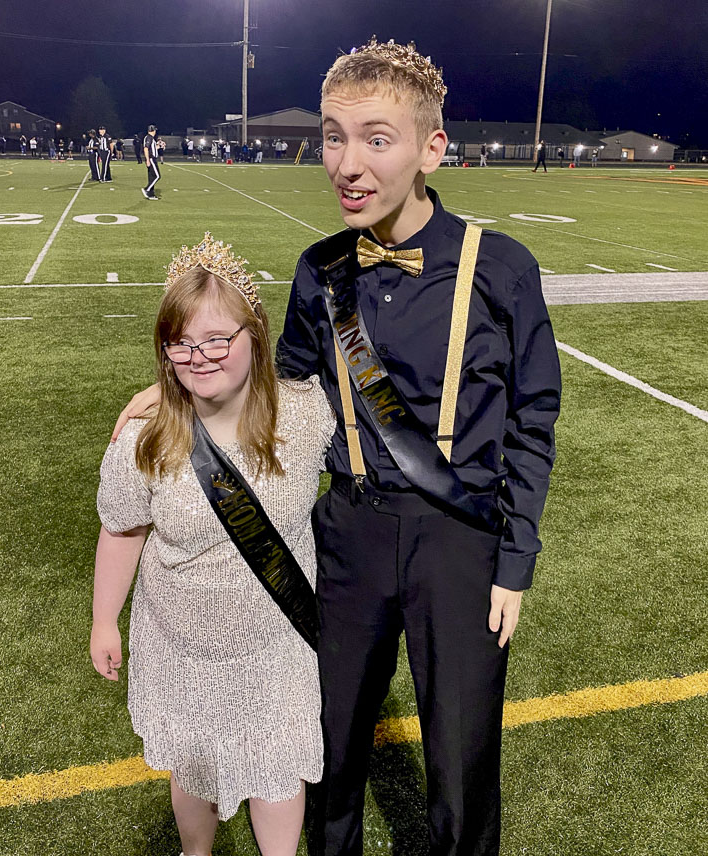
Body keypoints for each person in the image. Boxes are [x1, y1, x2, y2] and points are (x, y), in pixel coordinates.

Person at [112, 37, 561, 856]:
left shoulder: (501, 266)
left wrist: (514, 556)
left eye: (376, 138)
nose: (346, 162)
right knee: (331, 748)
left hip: (459, 543)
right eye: (331, 136)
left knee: (461, 758)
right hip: (345, 536)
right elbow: (276, 391)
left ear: (432, 148)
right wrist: (175, 387)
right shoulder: (319, 271)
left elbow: (535, 415)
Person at [92, 232, 334, 856]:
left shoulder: (306, 417)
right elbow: (122, 530)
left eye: (218, 339)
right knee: (194, 764)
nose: (199, 357)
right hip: (181, 642)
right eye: (181, 343)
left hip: (276, 641)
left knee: (279, 764)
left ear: (256, 335)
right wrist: (104, 622)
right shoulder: (146, 437)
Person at [142, 124, 160, 200]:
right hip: (152, 159)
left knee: (152, 177)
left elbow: (152, 149)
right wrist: (148, 159)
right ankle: (147, 189)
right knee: (157, 176)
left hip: (152, 158)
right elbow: (146, 149)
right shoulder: (149, 138)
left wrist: (159, 146)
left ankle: (151, 194)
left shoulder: (150, 138)